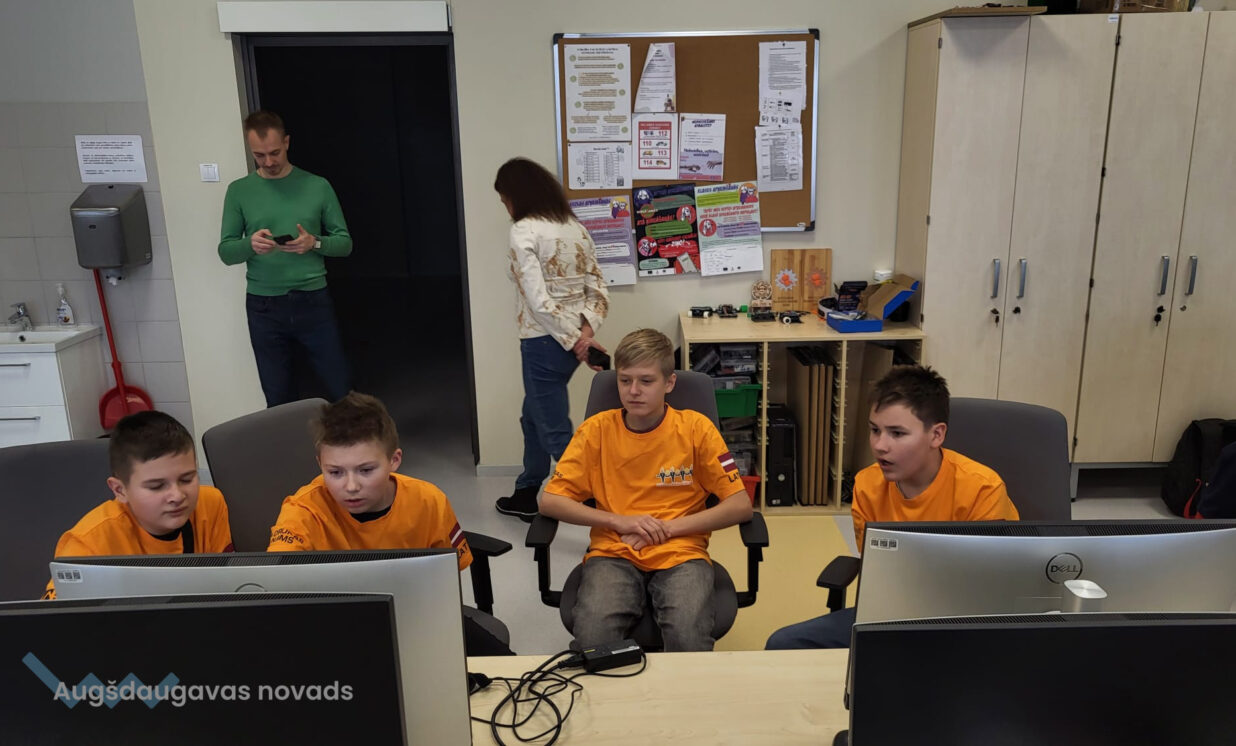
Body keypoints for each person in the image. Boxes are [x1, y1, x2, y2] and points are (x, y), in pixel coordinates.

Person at [765, 366, 1020, 649]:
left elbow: (988, 589)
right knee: (783, 643)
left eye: (897, 433)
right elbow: (880, 575)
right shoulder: (867, 486)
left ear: (936, 435)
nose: (880, 445)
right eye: (875, 430)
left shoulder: (982, 489)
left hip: (964, 621)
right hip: (894, 613)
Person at [540, 329, 753, 652]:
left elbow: (740, 505)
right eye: (625, 381)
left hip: (681, 552)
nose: (633, 391)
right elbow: (550, 501)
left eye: (646, 381)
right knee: (594, 641)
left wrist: (664, 529)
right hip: (614, 550)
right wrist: (619, 521)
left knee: (687, 637)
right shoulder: (596, 431)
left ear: (669, 383)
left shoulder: (696, 429)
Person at [266, 392, 511, 655]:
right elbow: (277, 583)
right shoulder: (303, 510)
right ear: (320, 464)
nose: (351, 486)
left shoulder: (428, 500)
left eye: (366, 470)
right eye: (335, 472)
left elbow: (445, 583)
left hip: (416, 615)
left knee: (506, 665)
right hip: (334, 627)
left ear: (394, 460)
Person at [492, 157, 610, 522]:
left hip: (544, 343)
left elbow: (537, 300)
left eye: (505, 199)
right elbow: (598, 288)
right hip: (569, 345)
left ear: (517, 196)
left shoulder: (523, 230)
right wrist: (585, 334)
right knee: (533, 417)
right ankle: (527, 491)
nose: (505, 207)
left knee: (555, 431)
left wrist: (576, 340)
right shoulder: (575, 227)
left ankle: (606, 507)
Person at [218, 109, 353, 408]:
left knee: (339, 390)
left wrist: (314, 242)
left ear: (287, 142)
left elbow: (345, 244)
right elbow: (226, 252)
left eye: (274, 153)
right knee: (278, 397)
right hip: (264, 305)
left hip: (313, 300)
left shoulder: (317, 186)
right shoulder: (239, 191)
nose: (268, 162)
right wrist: (250, 244)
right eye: (259, 155)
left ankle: (350, 439)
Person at [43, 411, 234, 599]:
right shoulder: (88, 544)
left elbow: (225, 583)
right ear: (120, 490)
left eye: (187, 479)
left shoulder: (211, 503)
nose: (177, 496)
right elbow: (55, 615)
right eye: (156, 486)